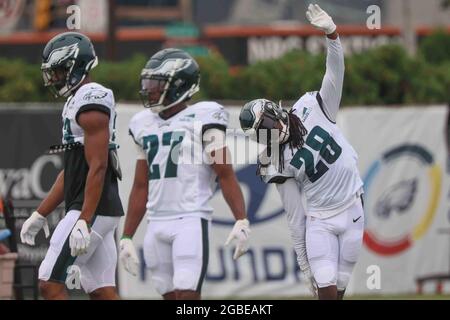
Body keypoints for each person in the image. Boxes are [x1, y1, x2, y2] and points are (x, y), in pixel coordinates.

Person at [239, 4, 364, 300]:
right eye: (261, 132)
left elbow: (335, 73)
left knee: (341, 288)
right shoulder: (274, 159)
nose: (269, 132)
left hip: (354, 208)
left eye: (267, 123)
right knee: (326, 291)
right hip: (320, 221)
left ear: (275, 110)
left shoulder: (311, 106)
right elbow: (295, 216)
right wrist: (304, 265)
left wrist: (332, 35)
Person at [118, 48, 251, 300]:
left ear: (179, 86)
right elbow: (140, 185)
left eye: (156, 84)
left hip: (190, 218)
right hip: (155, 223)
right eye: (147, 83)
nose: (149, 89)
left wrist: (241, 218)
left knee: (188, 297)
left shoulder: (203, 116)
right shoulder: (142, 123)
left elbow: (224, 171)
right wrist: (127, 235)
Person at [20, 32, 124, 300]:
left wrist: (84, 219)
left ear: (75, 66)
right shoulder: (75, 101)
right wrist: (41, 213)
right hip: (96, 206)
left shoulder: (91, 97)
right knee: (102, 292)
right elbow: (74, 170)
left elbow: (98, 165)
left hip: (93, 207)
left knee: (48, 282)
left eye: (58, 71)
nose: (53, 78)